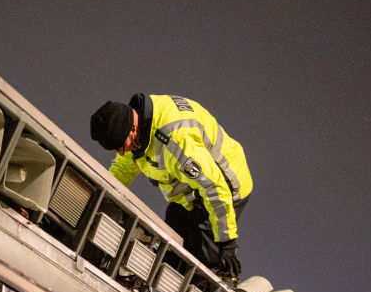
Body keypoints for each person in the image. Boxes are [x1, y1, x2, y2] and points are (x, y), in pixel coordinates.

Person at [89, 94, 252, 280]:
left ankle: (204, 291)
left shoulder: (176, 141)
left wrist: (227, 242)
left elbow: (214, 188)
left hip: (226, 187)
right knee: (171, 247)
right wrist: (103, 194)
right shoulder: (135, 124)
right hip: (191, 192)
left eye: (122, 146)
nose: (122, 152)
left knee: (201, 262)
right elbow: (124, 167)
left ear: (132, 129)